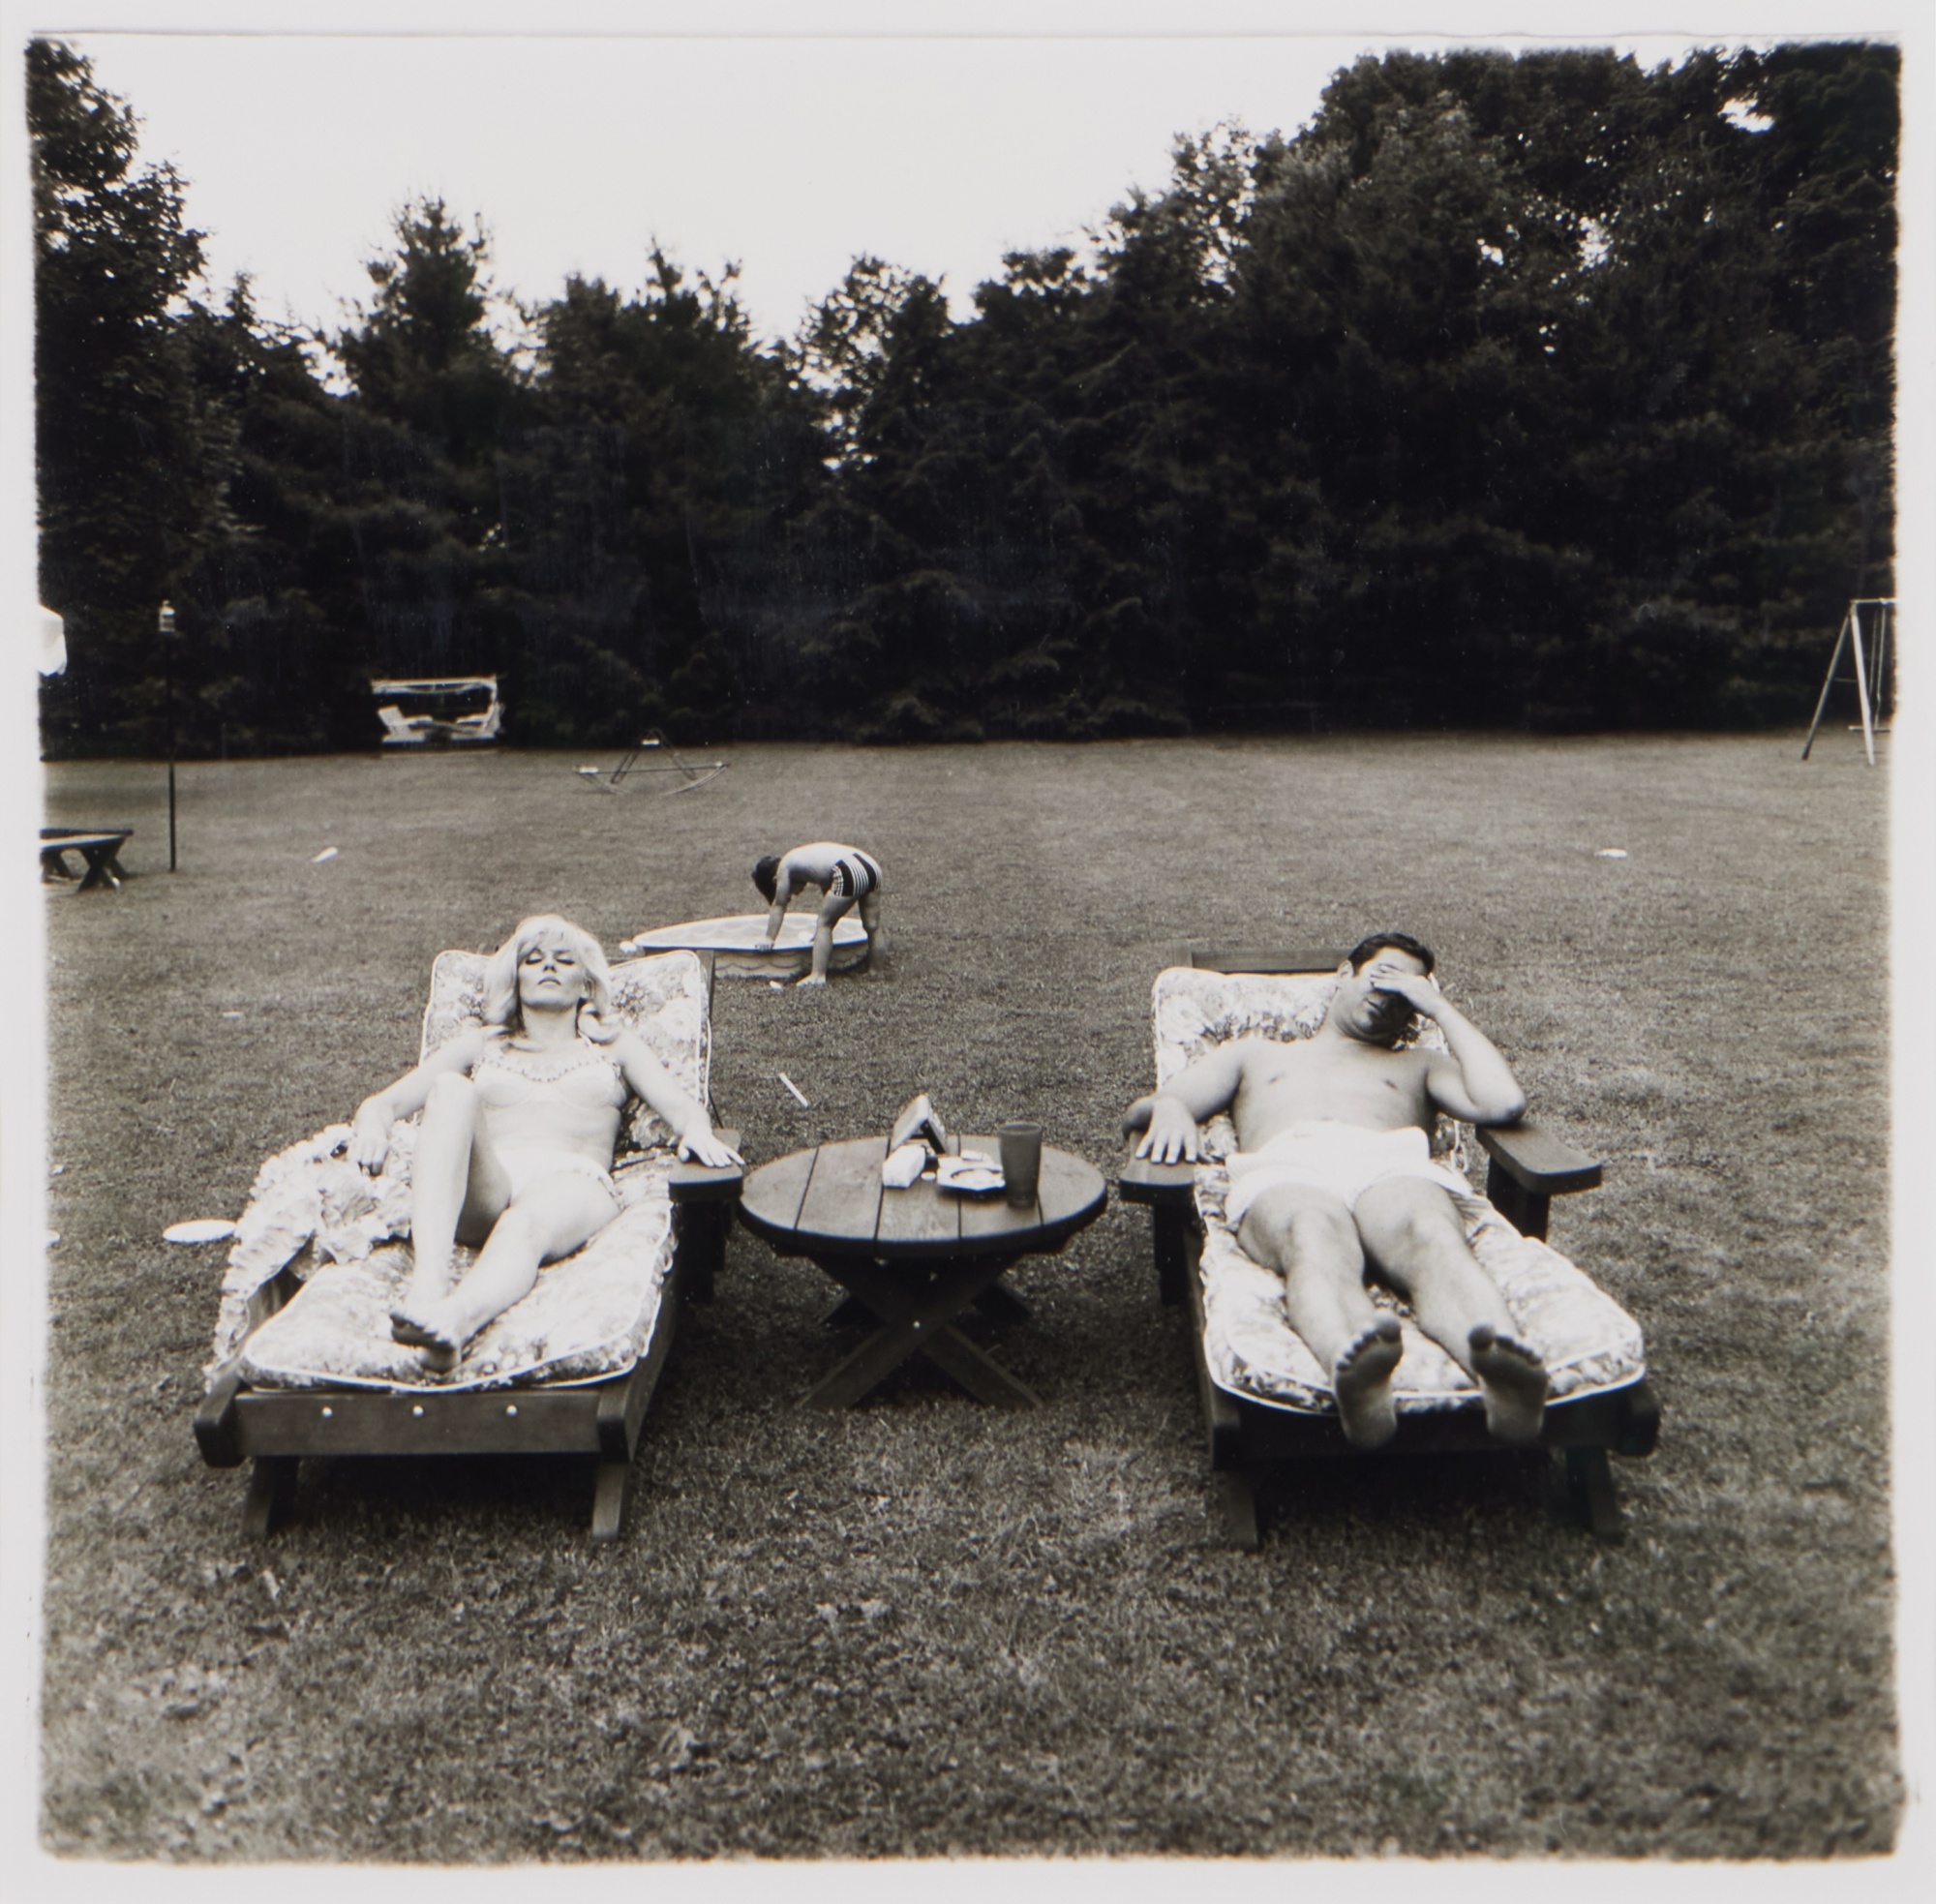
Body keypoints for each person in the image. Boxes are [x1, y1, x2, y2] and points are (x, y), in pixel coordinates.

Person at [1122, 933, 1548, 1450]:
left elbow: (1503, 1103)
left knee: (1431, 1233)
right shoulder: (1256, 1054)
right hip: (1288, 1168)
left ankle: (1502, 1374)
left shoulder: (1418, 1066)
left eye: (1407, 990)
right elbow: (1151, 1107)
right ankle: (1355, 1369)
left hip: (1389, 1165)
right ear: (1345, 974)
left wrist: (1437, 1005)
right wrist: (1169, 1108)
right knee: (1311, 1234)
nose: (1391, 994)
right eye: (1383, 975)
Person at [351, 915, 741, 1374]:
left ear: (585, 983)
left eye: (563, 960)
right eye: (533, 960)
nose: (548, 967)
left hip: (572, 1183)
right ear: (515, 980)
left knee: (523, 1224)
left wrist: (696, 1130)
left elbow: (682, 1108)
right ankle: (428, 1289)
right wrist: (372, 1128)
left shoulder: (613, 1047)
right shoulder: (483, 1045)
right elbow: (382, 1104)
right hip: (490, 1182)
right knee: (452, 1090)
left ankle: (453, 1324)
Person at [752, 841, 886, 986]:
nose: (796, 894)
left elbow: (778, 905)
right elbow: (829, 894)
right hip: (871, 866)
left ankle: (817, 975)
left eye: (791, 893)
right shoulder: (806, 860)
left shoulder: (784, 866)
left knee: (824, 924)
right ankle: (876, 971)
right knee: (873, 926)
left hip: (848, 869)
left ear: (776, 881)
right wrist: (818, 939)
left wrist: (769, 938)